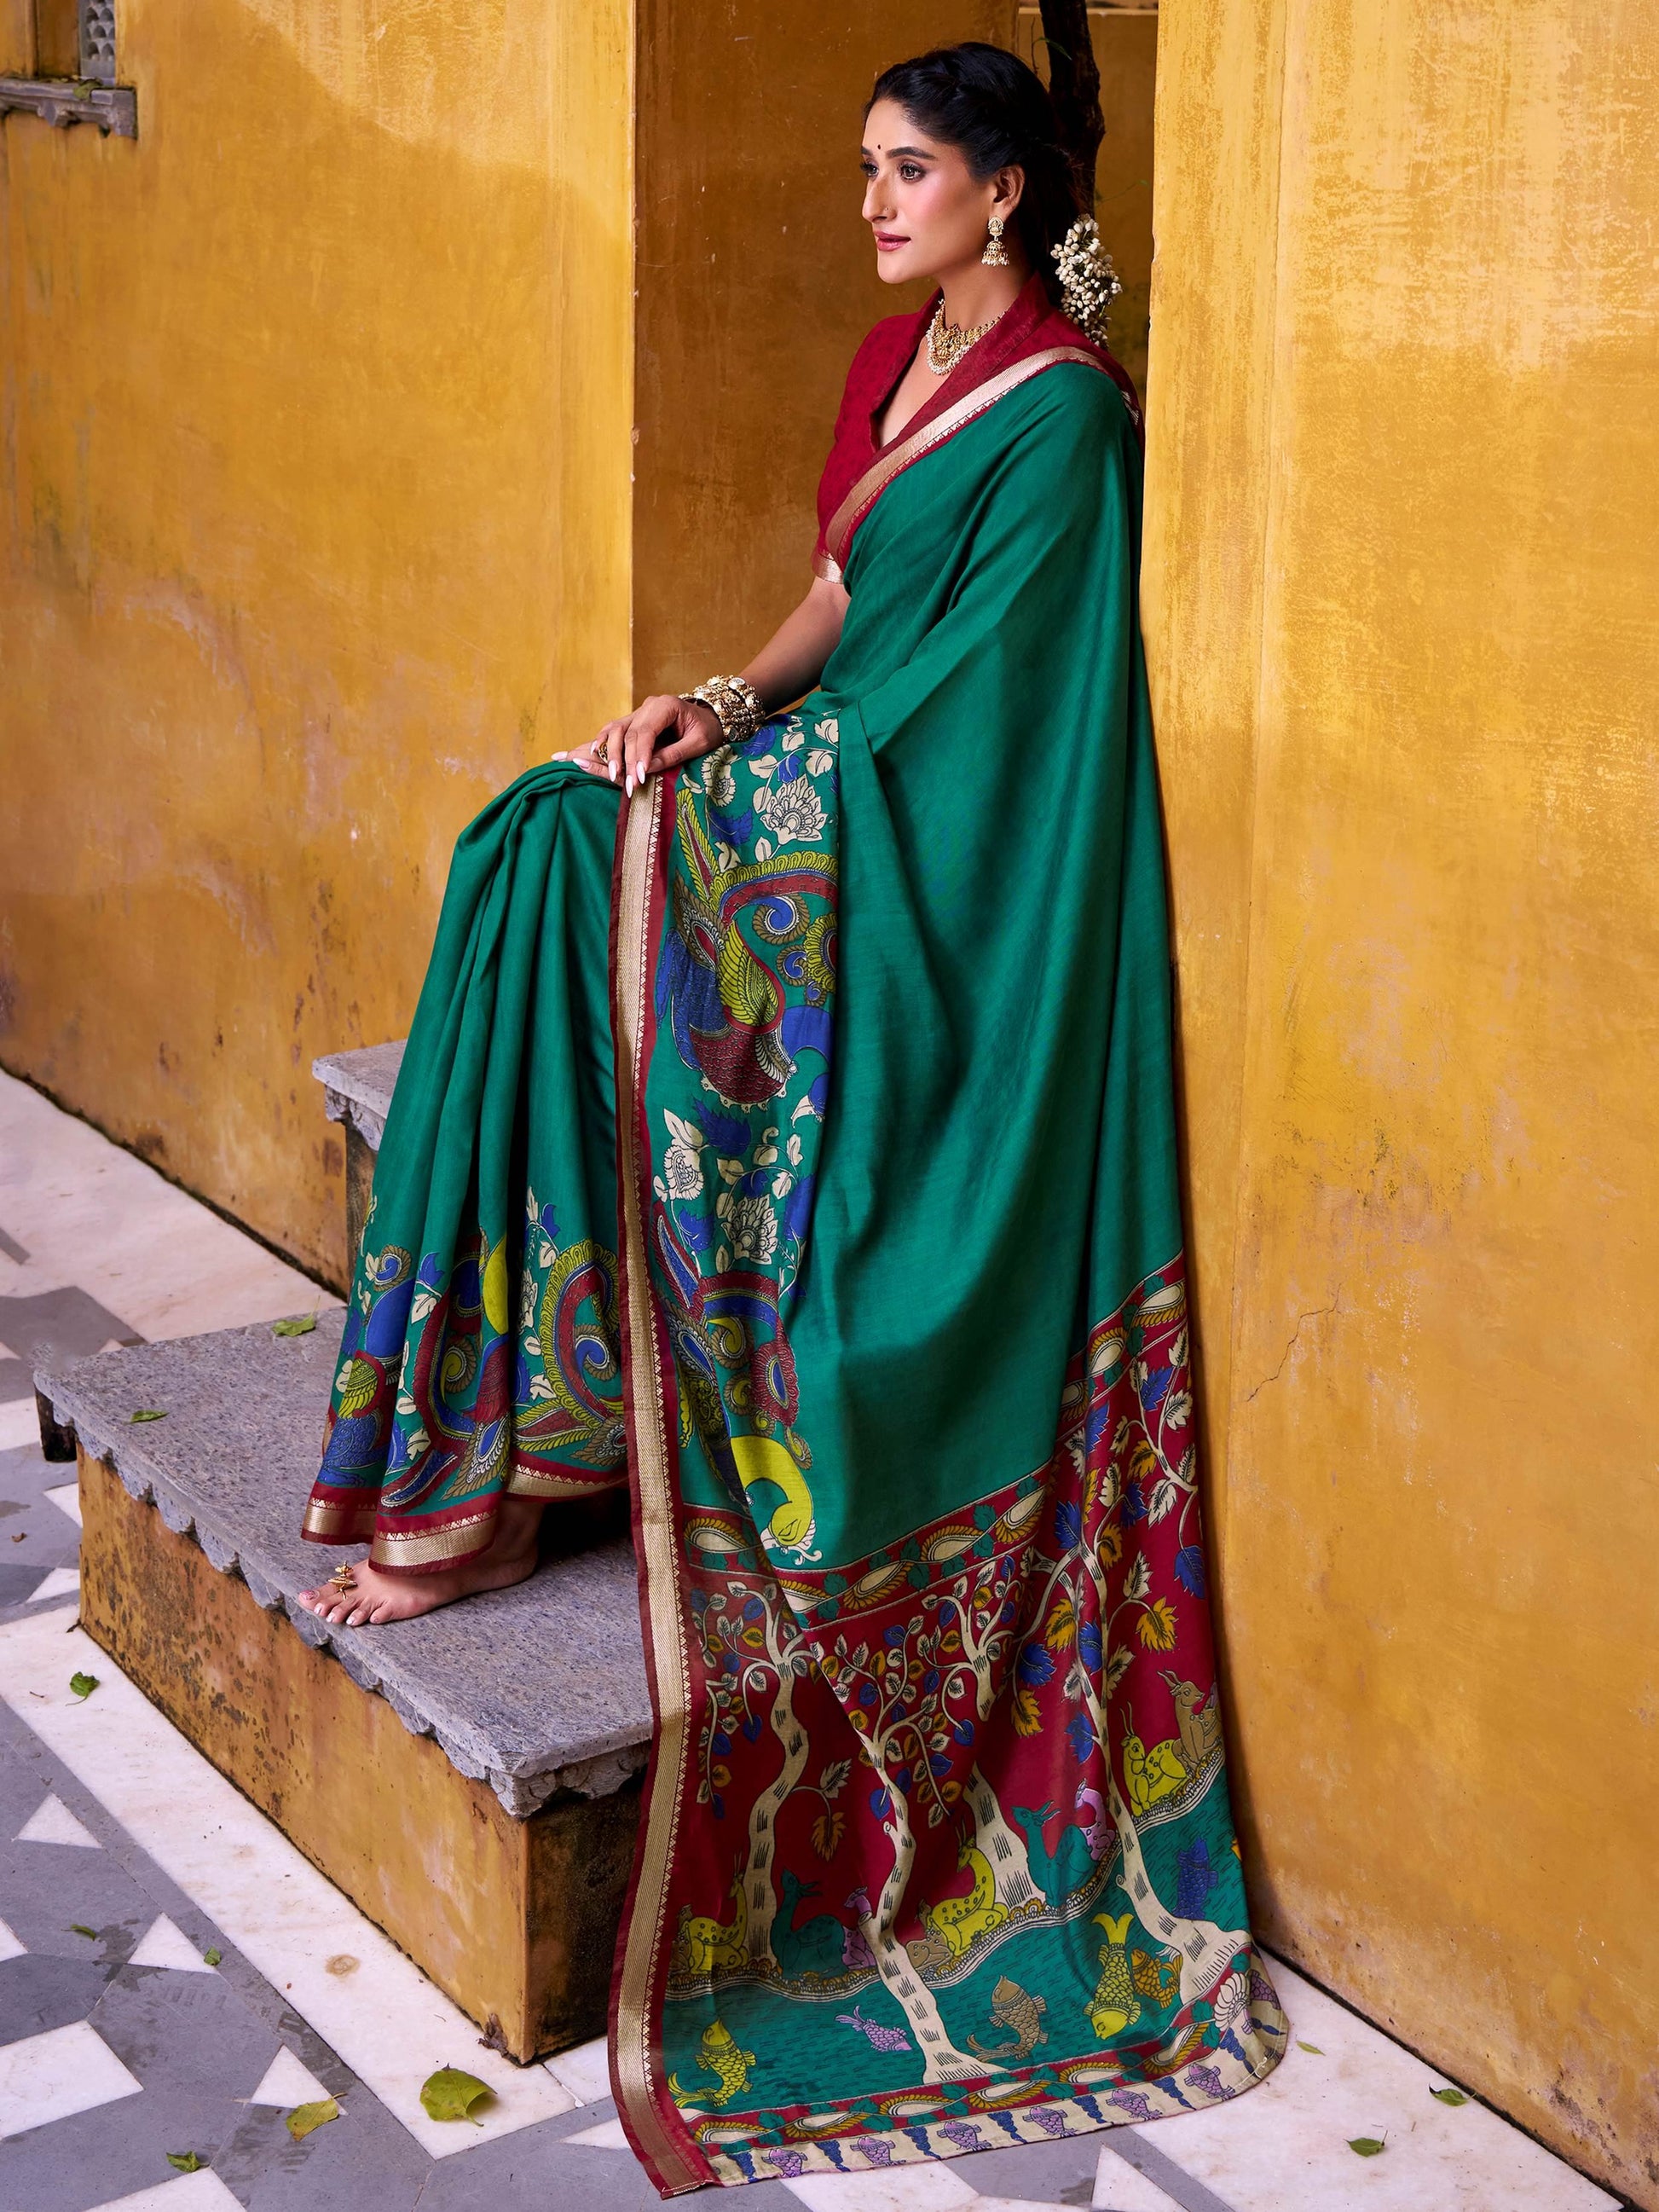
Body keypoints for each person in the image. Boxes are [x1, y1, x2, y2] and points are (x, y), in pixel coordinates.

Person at [297, 40, 1286, 2192]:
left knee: (571, 861)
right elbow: (844, 600)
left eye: (905, 172)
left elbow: (994, 702)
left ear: (1005, 194)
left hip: (954, 882)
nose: (867, 203)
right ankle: (505, 1449)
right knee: (538, 835)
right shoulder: (888, 362)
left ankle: (491, 1469)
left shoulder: (1067, 419)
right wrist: (719, 699)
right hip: (835, 773)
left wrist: (775, 785)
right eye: (862, 171)